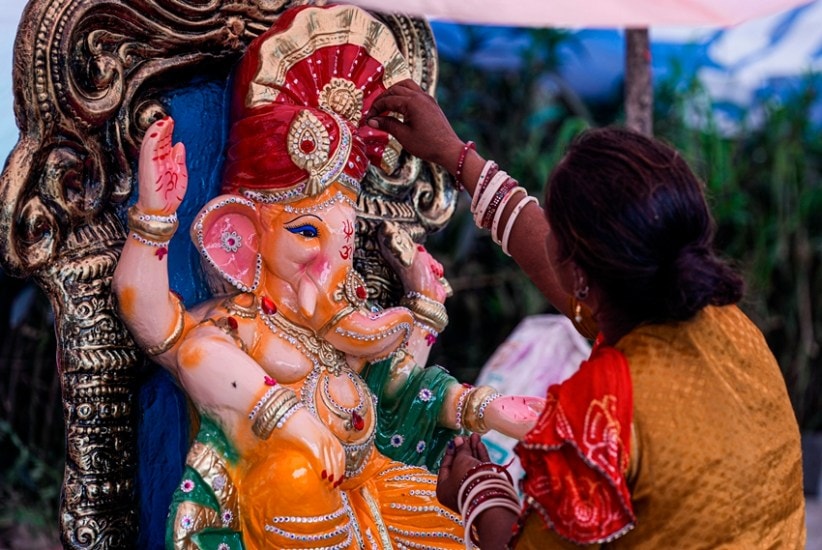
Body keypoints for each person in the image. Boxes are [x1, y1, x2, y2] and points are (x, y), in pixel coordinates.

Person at [366, 80, 807, 548]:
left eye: (556, 227)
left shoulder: (601, 408)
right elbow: (549, 251)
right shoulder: (727, 324)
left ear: (580, 274)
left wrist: (480, 492)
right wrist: (458, 157)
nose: (547, 234)